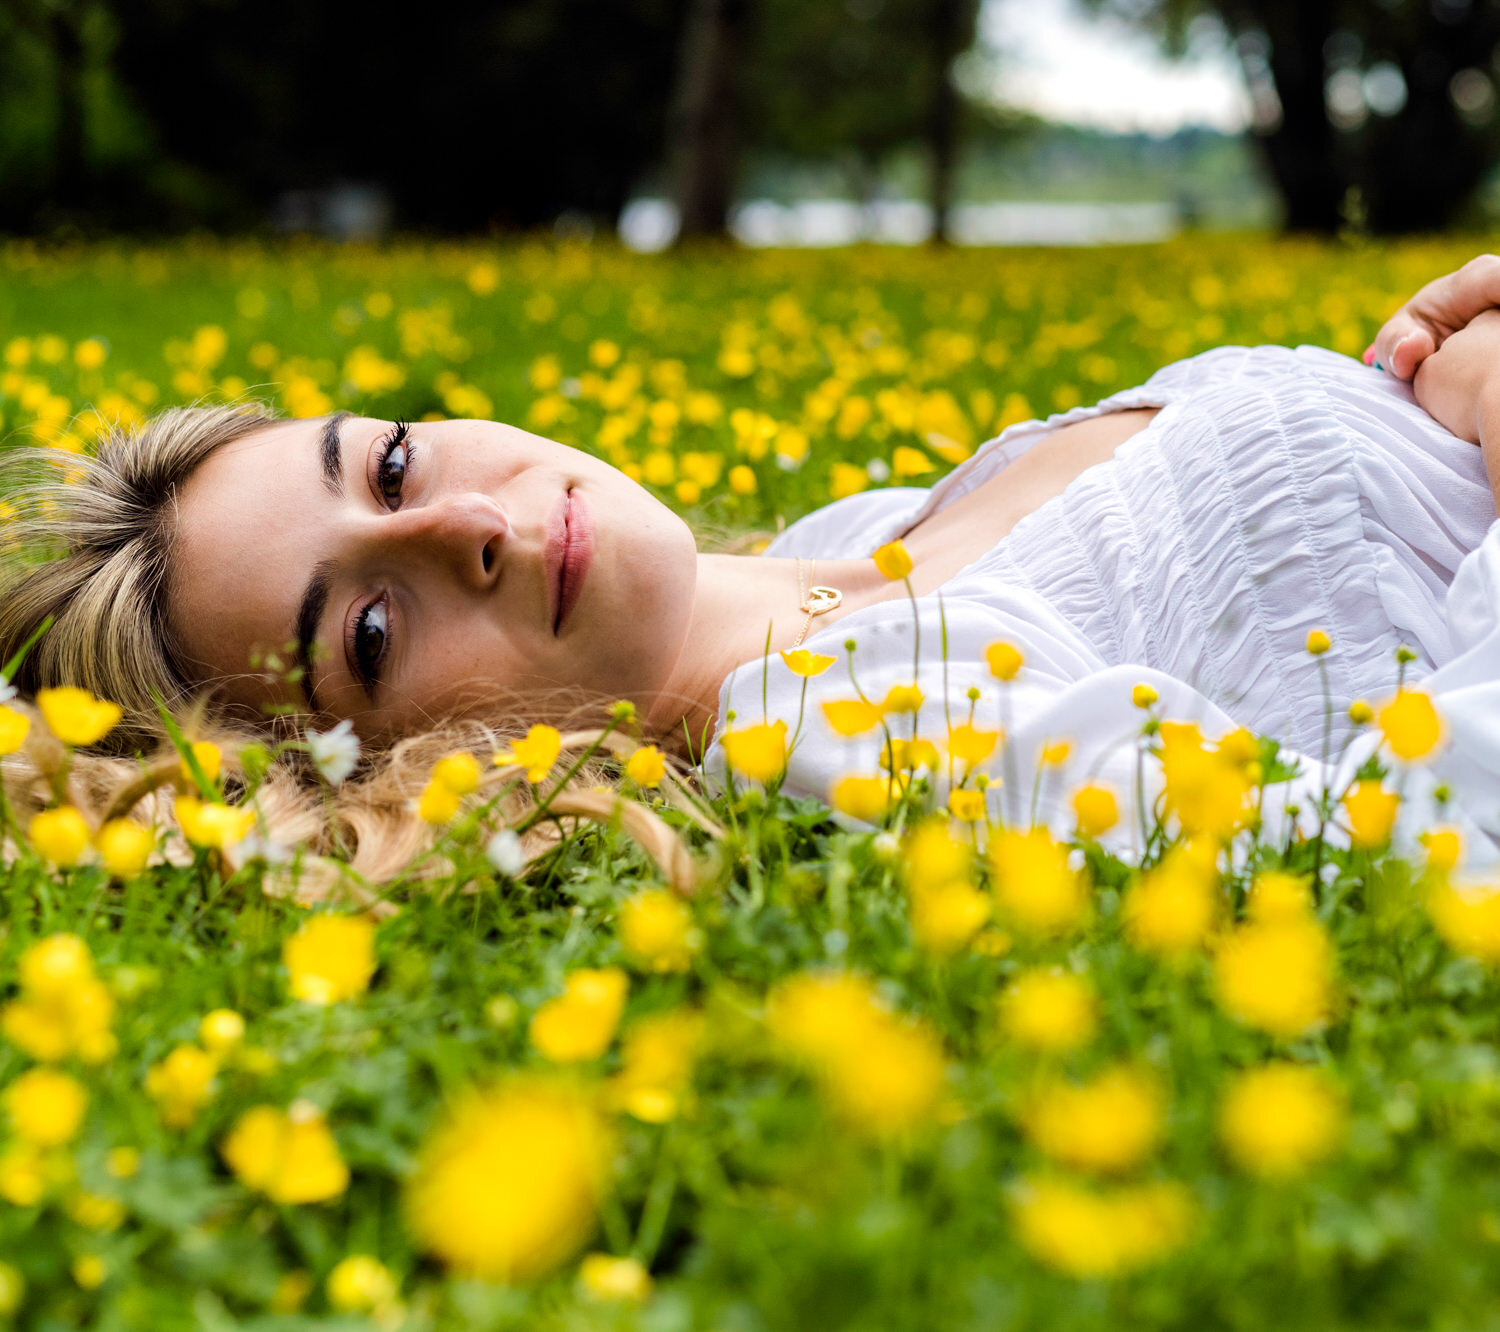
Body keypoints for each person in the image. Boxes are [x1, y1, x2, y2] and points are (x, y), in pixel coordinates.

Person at [2, 256, 1499, 882]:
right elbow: (1403, 856)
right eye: (374, 633)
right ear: (383, 770)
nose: (457, 524)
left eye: (388, 464)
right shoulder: (842, 732)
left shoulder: (847, 547)